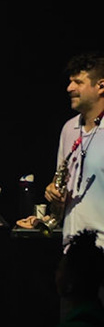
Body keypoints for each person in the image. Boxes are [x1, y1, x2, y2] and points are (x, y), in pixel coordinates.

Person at [41, 51, 104, 251]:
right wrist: (53, 194)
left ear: (101, 85)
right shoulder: (69, 129)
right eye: (70, 82)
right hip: (72, 249)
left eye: (78, 82)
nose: (69, 88)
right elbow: (62, 185)